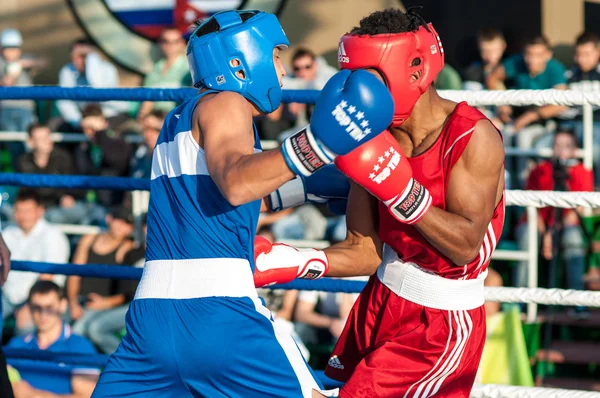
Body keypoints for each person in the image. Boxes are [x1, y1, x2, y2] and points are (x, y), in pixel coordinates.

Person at [92, 9, 393, 398]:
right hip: (219, 316)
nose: (282, 71)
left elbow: (239, 195)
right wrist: (321, 144)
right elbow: (237, 183)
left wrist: (322, 183)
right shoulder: (228, 104)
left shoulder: (178, 119)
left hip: (150, 321)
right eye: (275, 56)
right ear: (239, 61)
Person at [253, 8, 506, 397]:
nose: (356, 90)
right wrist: (295, 261)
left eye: (367, 77)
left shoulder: (472, 137)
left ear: (415, 71)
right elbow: (364, 251)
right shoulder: (370, 136)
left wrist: (403, 192)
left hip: (438, 326)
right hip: (379, 299)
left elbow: (466, 246)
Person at [6, 281, 99, 398]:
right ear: (29, 308)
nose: (42, 314)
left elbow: (86, 395)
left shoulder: (81, 346)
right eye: (36, 307)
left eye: (49, 307)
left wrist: (34, 395)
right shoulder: (16, 344)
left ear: (63, 305)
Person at [2, 189, 70, 333]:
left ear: (40, 211)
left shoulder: (53, 236)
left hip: (40, 301)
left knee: (26, 327)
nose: (22, 216)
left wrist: (30, 306)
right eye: (19, 210)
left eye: (27, 210)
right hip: (6, 297)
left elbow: (47, 277)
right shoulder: (8, 233)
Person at [67, 207, 134, 352]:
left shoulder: (127, 248)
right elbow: (74, 273)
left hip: (104, 305)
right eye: (119, 220)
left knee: (78, 332)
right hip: (79, 300)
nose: (122, 227)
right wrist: (72, 303)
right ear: (109, 219)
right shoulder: (89, 239)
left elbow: (128, 291)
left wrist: (104, 303)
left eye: (127, 224)